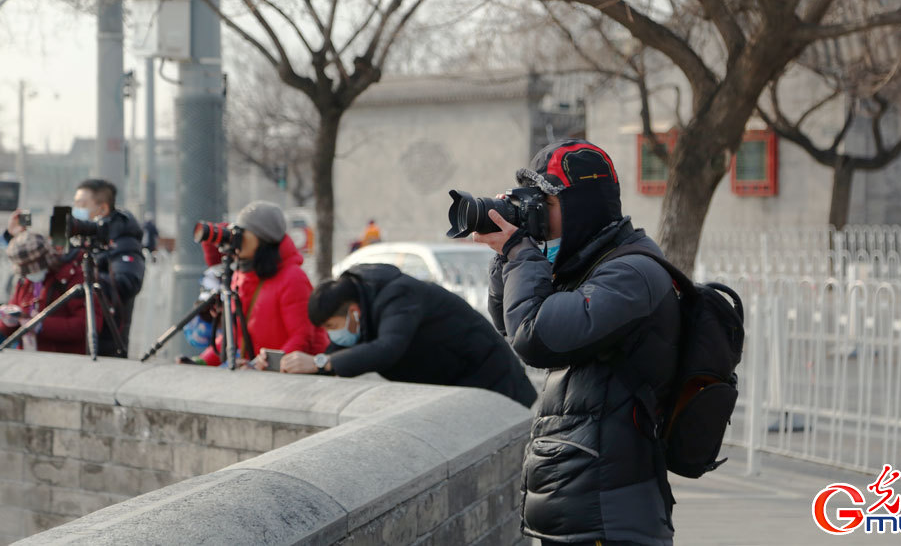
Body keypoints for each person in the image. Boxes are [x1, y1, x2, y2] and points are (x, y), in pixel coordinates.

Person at [473, 139, 682, 545]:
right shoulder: (587, 267)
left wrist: (520, 253)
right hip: (582, 510)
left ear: (581, 206)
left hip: (611, 515)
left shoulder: (631, 275)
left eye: (545, 205)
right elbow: (509, 323)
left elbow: (534, 338)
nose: (537, 217)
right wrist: (506, 258)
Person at [278, 264, 538, 408]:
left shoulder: (398, 295)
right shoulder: (364, 307)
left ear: (353, 311)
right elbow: (339, 354)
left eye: (332, 325)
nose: (332, 334)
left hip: (494, 381)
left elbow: (388, 347)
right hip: (456, 384)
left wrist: (320, 363)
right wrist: (297, 365)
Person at [180, 200, 328, 366]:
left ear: (263, 238)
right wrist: (200, 362)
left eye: (242, 233)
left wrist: (265, 367)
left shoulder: (293, 278)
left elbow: (302, 338)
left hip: (297, 377)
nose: (237, 238)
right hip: (263, 375)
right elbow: (234, 334)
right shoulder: (242, 276)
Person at [71, 179, 145, 356]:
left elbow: (127, 283)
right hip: (75, 336)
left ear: (102, 209)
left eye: (82, 204)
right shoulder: (80, 242)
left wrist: (86, 278)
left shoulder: (124, 241)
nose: (76, 210)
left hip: (106, 342)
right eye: (75, 204)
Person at [0, 232, 100, 354]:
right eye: (25, 271)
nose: (29, 274)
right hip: (27, 359)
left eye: (32, 269)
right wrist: (8, 321)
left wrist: (41, 325)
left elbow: (86, 325)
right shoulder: (25, 281)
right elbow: (9, 328)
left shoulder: (74, 276)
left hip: (64, 361)